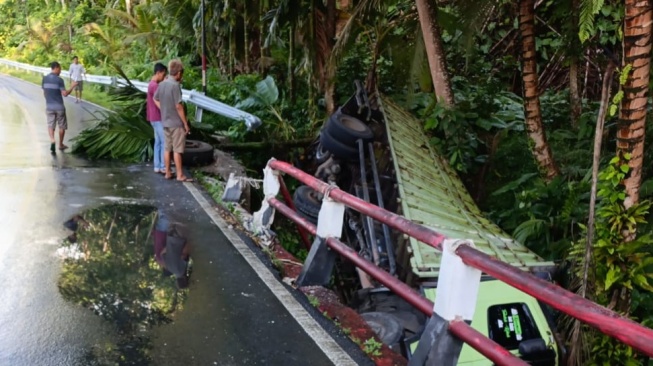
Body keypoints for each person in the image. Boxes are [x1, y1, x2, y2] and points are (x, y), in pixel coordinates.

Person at [153, 59, 193, 182]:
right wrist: (185, 123)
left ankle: (168, 173)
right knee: (177, 150)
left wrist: (164, 109)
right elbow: (178, 106)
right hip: (176, 123)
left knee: (167, 148)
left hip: (165, 122)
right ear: (179, 73)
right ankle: (180, 175)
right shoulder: (175, 86)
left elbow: (156, 98)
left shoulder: (162, 84)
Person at [43, 61, 78, 153]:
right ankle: (60, 144)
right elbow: (65, 94)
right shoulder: (59, 80)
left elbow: (45, 93)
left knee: (51, 124)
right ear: (56, 68)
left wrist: (48, 101)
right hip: (59, 107)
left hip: (49, 106)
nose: (60, 71)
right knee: (62, 126)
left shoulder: (45, 79)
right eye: (60, 69)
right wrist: (72, 86)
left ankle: (52, 139)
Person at [153, 213, 190, 289]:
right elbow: (162, 253)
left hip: (179, 238)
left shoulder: (180, 271)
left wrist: (192, 242)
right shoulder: (169, 267)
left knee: (166, 213)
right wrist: (170, 246)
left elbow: (184, 253)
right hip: (170, 235)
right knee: (170, 213)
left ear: (185, 279)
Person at [147, 63, 168, 174]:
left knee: (158, 142)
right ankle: (163, 166)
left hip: (153, 117)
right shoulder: (154, 86)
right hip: (157, 117)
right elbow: (159, 101)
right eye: (163, 74)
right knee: (164, 141)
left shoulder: (151, 84)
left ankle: (157, 165)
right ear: (158, 72)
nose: (163, 77)